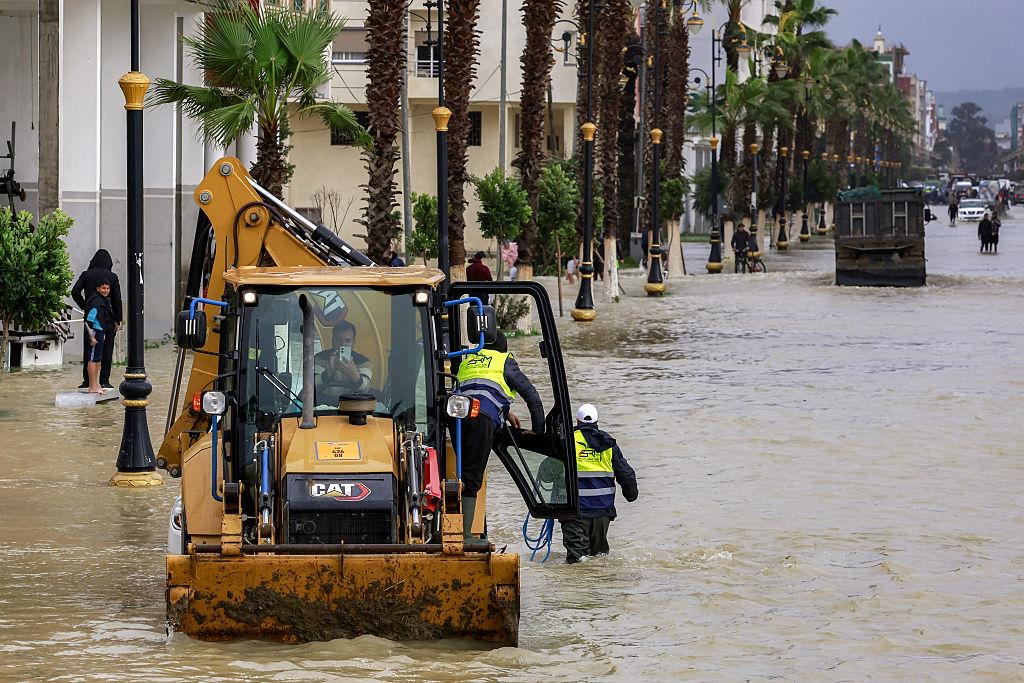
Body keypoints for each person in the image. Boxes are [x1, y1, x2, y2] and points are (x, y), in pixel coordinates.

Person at [454, 330, 544, 547]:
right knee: (472, 477)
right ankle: (465, 536)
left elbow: (477, 388)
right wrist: (538, 431)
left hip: (456, 417)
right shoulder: (505, 361)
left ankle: (447, 526)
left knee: (459, 472)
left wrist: (504, 412)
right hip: (481, 419)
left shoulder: (468, 360)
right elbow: (532, 396)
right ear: (503, 349)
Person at [561, 403, 638, 564]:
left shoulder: (567, 441)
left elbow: (547, 474)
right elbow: (626, 474)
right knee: (599, 559)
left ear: (577, 421)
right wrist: (631, 495)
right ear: (596, 421)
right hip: (602, 511)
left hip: (575, 511)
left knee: (577, 562)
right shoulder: (608, 443)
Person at [71, 249, 122, 391]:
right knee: (107, 349)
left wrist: (85, 306)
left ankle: (87, 381)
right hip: (107, 318)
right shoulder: (112, 277)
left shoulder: (86, 275)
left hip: (91, 318)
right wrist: (118, 319)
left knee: (90, 349)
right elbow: (117, 299)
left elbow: (75, 292)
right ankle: (104, 381)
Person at [313, 320, 373, 399]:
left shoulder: (364, 362)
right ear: (333, 341)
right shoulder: (320, 358)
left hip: (352, 402)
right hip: (323, 402)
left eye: (347, 340)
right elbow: (312, 384)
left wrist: (354, 376)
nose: (343, 344)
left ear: (353, 342)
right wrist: (329, 372)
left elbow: (366, 388)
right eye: (339, 340)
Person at [83, 279, 115, 394]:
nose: (106, 290)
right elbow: (88, 320)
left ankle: (96, 385)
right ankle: (92, 387)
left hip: (100, 332)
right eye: (103, 288)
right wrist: (91, 337)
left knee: (97, 359)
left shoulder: (103, 301)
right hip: (95, 333)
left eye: (107, 288)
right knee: (93, 360)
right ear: (98, 289)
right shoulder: (96, 302)